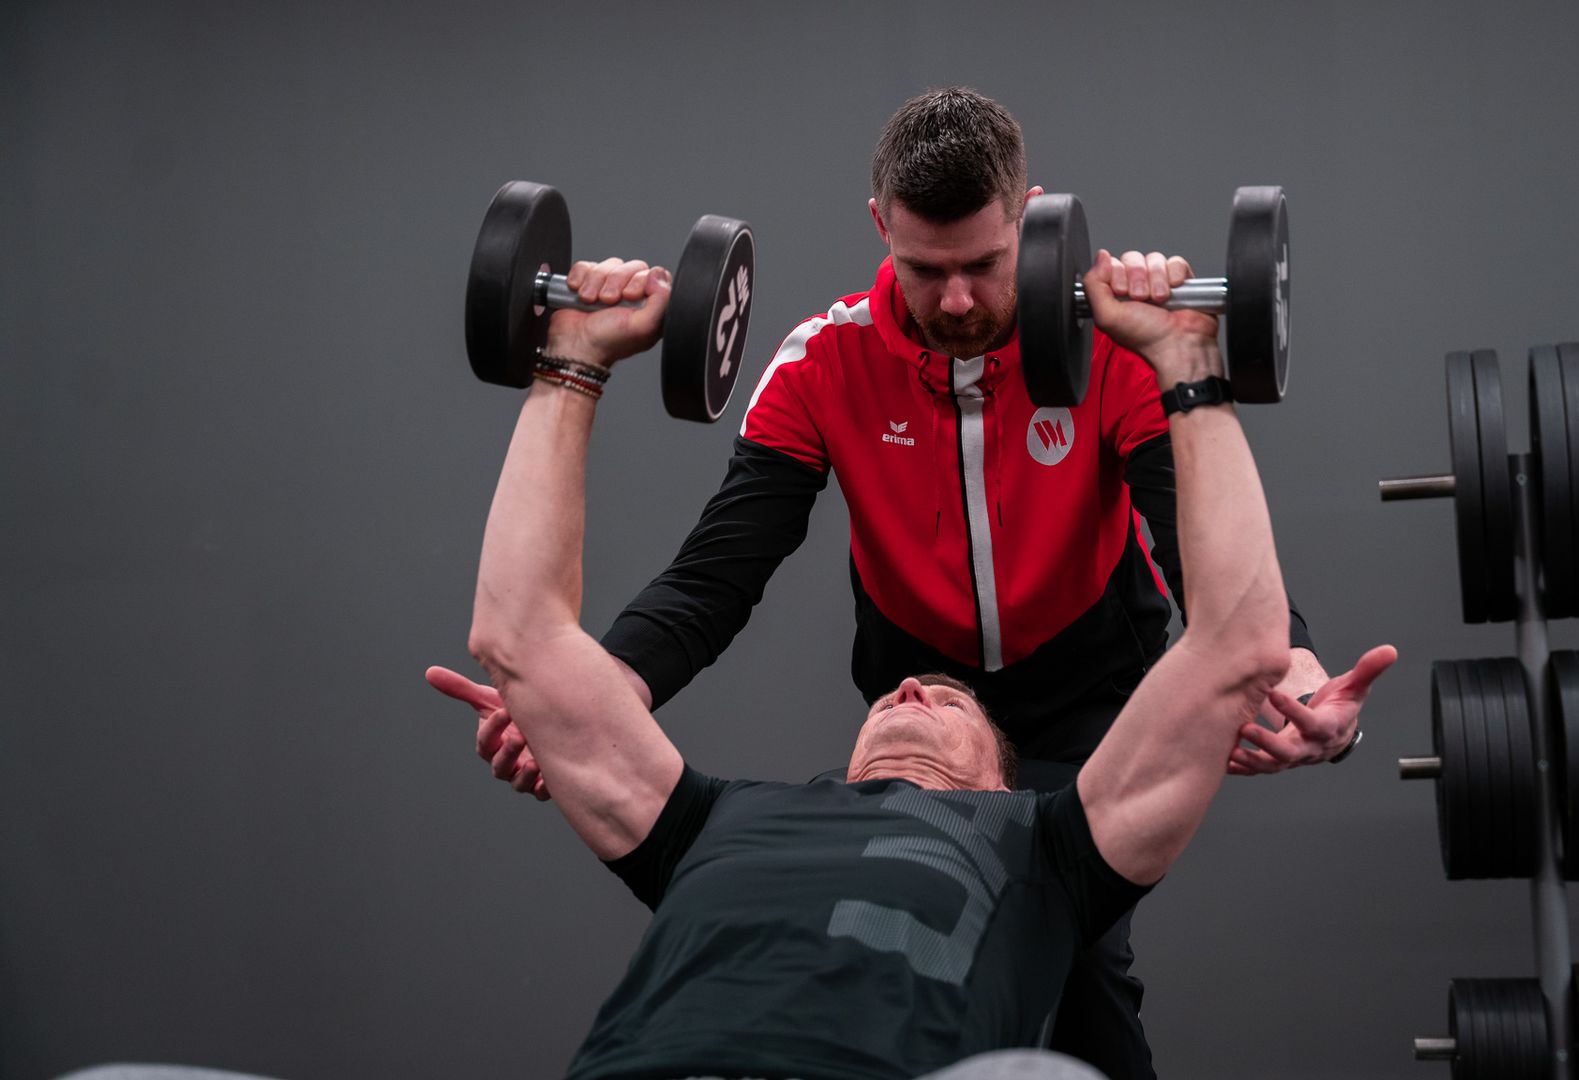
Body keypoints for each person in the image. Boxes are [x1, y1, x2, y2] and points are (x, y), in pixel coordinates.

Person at [450, 87, 1383, 1079]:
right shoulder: (822, 361)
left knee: (1077, 965)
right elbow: (717, 575)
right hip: (916, 695)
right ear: (879, 227)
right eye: (924, 269)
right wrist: (589, 697)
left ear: (1029, 216)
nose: (956, 301)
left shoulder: (1118, 350)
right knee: (872, 927)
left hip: (1087, 702)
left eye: (983, 265)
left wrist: (1290, 664)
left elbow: (1200, 561)